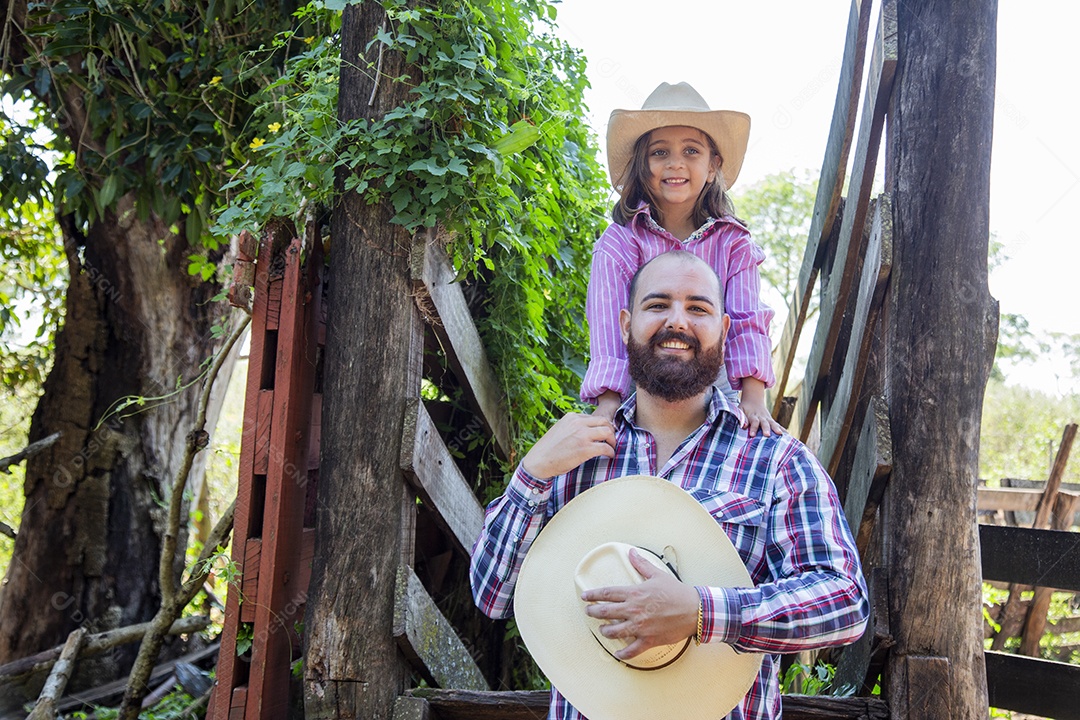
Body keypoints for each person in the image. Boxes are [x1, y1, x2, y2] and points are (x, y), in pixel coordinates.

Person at [470, 251, 868, 720]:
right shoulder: (572, 456)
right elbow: (492, 596)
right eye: (657, 305)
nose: (676, 321)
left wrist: (702, 611)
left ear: (723, 328)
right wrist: (531, 475)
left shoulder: (776, 459)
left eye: (697, 308)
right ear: (625, 323)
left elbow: (843, 602)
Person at [583, 81, 783, 437]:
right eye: (660, 153)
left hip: (715, 381)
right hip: (637, 382)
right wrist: (608, 407)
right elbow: (608, 329)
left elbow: (747, 320)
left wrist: (752, 399)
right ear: (642, 165)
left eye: (691, 151)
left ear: (712, 166)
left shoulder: (734, 243)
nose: (675, 163)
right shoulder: (619, 242)